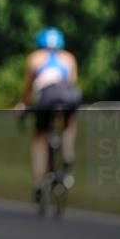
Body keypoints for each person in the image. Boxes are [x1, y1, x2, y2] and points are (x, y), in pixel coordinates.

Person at [21, 27, 81, 199]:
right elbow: (72, 84)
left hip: (46, 96)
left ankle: (39, 179)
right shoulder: (69, 58)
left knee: (40, 136)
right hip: (69, 95)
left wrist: (24, 106)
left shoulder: (35, 58)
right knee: (69, 124)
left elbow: (29, 88)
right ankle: (68, 154)